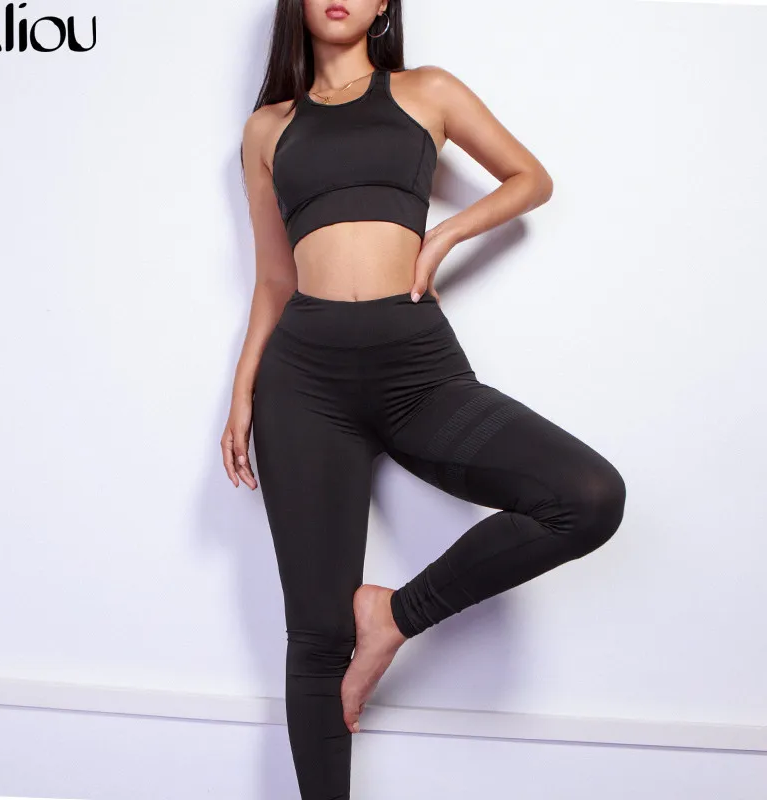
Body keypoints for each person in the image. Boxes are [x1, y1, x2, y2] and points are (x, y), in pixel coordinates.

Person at [222, 1, 627, 797]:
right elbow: (272, 278)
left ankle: (394, 616)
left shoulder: (427, 91)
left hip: (417, 370)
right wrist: (241, 394)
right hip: (302, 384)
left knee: (586, 496)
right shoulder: (267, 128)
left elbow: (531, 179)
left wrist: (442, 235)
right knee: (316, 636)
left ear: (384, 5)